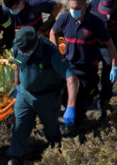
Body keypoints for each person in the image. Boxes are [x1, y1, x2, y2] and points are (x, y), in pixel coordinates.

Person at [7, 26, 78, 165]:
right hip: (24, 93)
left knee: (51, 129)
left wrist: (70, 107)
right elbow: (17, 64)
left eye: (26, 51)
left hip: (47, 98)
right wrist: (16, 89)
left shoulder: (51, 52)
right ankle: (16, 157)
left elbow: (72, 78)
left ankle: (55, 151)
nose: (22, 52)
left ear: (35, 44)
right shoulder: (19, 44)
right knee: (18, 127)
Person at [49, 0, 117, 128]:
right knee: (67, 99)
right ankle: (73, 120)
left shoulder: (96, 23)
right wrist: (55, 52)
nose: (73, 11)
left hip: (88, 68)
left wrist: (114, 65)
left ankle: (79, 124)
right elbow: (53, 32)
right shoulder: (65, 18)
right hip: (69, 65)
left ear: (86, 6)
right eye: (71, 8)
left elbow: (109, 44)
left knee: (82, 102)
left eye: (77, 9)